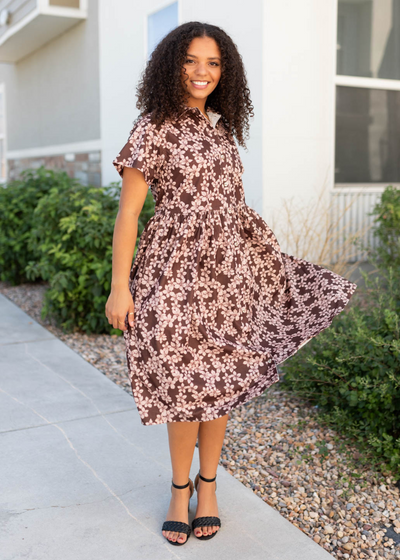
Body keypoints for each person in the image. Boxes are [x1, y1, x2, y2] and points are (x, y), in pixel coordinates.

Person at [105, 22, 357, 547]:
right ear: (172, 65)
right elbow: (128, 215)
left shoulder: (222, 131)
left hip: (228, 274)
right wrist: (119, 287)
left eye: (214, 63)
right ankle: (179, 491)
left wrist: (260, 259)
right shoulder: (152, 127)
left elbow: (231, 208)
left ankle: (209, 487)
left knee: (219, 382)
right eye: (192, 60)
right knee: (182, 383)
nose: (202, 72)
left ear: (226, 72)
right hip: (171, 272)